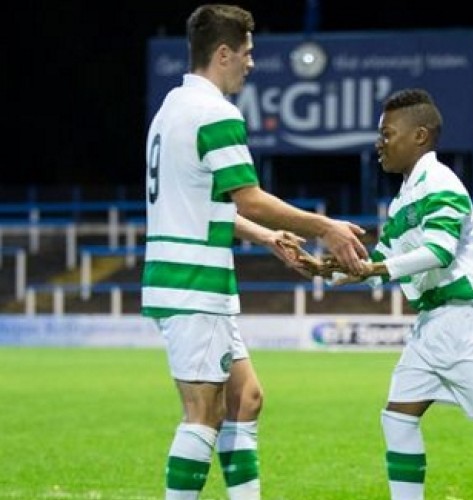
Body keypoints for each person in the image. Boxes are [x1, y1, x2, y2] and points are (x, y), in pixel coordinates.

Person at [142, 4, 369, 499]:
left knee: (246, 399)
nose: (250, 63)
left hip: (191, 281)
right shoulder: (215, 113)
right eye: (246, 53)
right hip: (193, 284)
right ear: (223, 53)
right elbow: (250, 197)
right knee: (202, 415)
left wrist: (267, 239)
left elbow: (206, 203)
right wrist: (324, 226)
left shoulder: (172, 110)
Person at [325, 87, 473, 500]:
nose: (380, 143)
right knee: (397, 419)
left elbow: (439, 252)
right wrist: (330, 271)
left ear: (420, 136)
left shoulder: (441, 181)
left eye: (387, 133)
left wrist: (376, 267)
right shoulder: (403, 199)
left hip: (470, 319)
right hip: (433, 323)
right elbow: (381, 264)